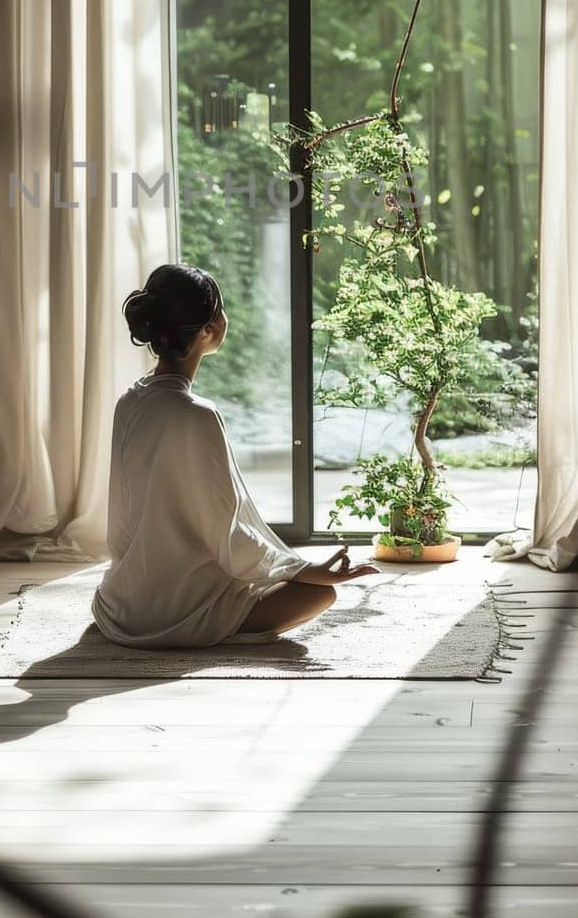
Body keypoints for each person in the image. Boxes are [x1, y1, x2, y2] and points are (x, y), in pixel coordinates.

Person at [91, 262, 378, 649]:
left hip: (123, 607)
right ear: (209, 330)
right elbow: (227, 535)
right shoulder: (198, 415)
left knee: (294, 583)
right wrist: (305, 570)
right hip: (178, 611)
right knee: (319, 595)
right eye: (221, 310)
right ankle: (198, 628)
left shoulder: (129, 402)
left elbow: (123, 521)